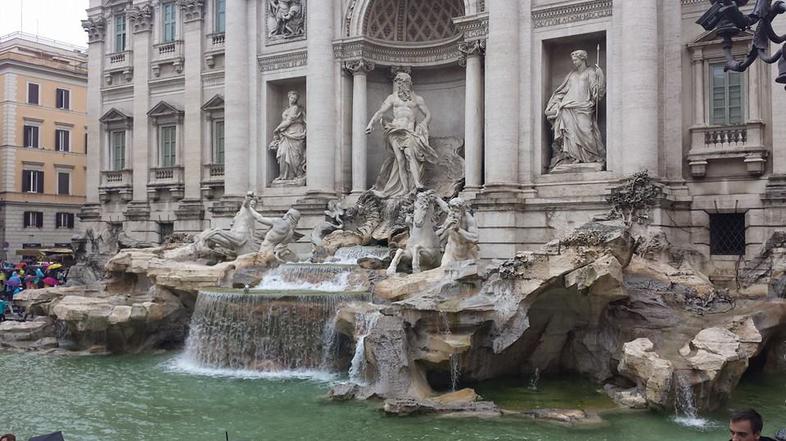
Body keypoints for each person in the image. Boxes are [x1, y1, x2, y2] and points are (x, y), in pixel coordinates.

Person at [366, 72, 438, 198]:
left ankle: (417, 183)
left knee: (410, 155)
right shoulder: (392, 98)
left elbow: (428, 115)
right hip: (394, 130)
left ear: (409, 83)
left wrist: (423, 124)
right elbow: (380, 112)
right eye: (398, 82)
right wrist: (370, 124)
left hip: (409, 131)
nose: (400, 85)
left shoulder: (418, 99)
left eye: (403, 82)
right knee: (400, 160)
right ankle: (405, 189)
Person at [545, 49, 606, 170]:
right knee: (570, 133)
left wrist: (601, 77)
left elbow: (596, 92)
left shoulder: (591, 72)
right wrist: (555, 104)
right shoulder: (571, 75)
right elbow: (562, 91)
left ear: (582, 58)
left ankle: (590, 157)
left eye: (575, 59)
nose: (574, 62)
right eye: (572, 60)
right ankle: (573, 157)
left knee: (587, 131)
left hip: (584, 106)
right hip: (568, 107)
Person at [269, 90, 307, 183]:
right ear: (288, 97)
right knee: (283, 154)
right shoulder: (287, 109)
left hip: (296, 132)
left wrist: (277, 129)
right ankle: (283, 176)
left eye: (295, 98)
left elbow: (289, 121)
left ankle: (296, 175)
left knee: (295, 155)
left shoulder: (295, 108)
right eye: (291, 97)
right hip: (286, 134)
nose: (293, 99)